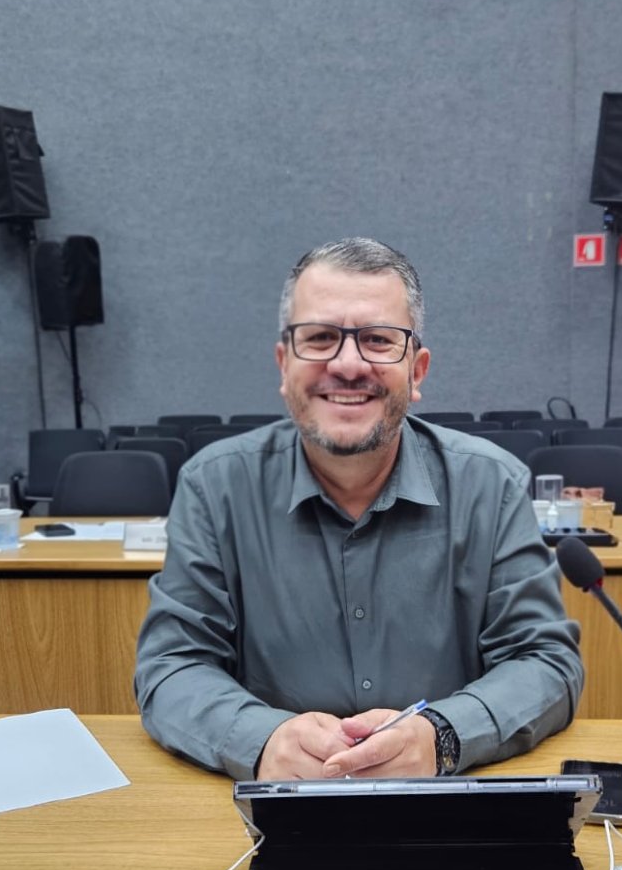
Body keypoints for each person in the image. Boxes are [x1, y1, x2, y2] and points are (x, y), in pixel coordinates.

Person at [135, 238, 583, 780]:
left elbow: (545, 663)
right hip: (270, 810)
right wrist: (262, 740)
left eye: (377, 340)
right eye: (320, 338)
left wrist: (443, 735)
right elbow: (172, 667)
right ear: (284, 365)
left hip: (449, 808)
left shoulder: (492, 484)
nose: (348, 365)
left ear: (417, 370)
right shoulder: (215, 487)